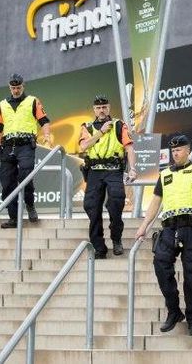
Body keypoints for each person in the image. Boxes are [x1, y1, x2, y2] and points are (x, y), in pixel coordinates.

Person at [135, 134, 192, 337]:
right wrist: (144, 225)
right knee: (160, 265)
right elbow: (155, 202)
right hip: (170, 228)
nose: (175, 153)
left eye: (179, 150)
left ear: (188, 150)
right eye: (172, 151)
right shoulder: (164, 175)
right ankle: (174, 311)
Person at [0, 74, 52, 228]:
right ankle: (14, 218)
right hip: (7, 147)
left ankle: (30, 205)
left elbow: (44, 121)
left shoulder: (33, 101)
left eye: (18, 87)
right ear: (9, 87)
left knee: (25, 177)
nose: (16, 90)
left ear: (23, 86)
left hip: (26, 146)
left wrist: (47, 135)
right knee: (7, 182)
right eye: (13, 88)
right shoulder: (3, 104)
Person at [79, 94, 137, 259]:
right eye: (98, 108)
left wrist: (133, 169)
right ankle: (99, 247)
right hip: (94, 171)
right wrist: (100, 132)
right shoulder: (87, 126)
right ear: (94, 110)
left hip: (113, 170)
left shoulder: (119, 125)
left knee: (117, 202)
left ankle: (116, 239)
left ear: (109, 108)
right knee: (92, 207)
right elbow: (83, 146)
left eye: (104, 107)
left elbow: (129, 148)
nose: (101, 110)